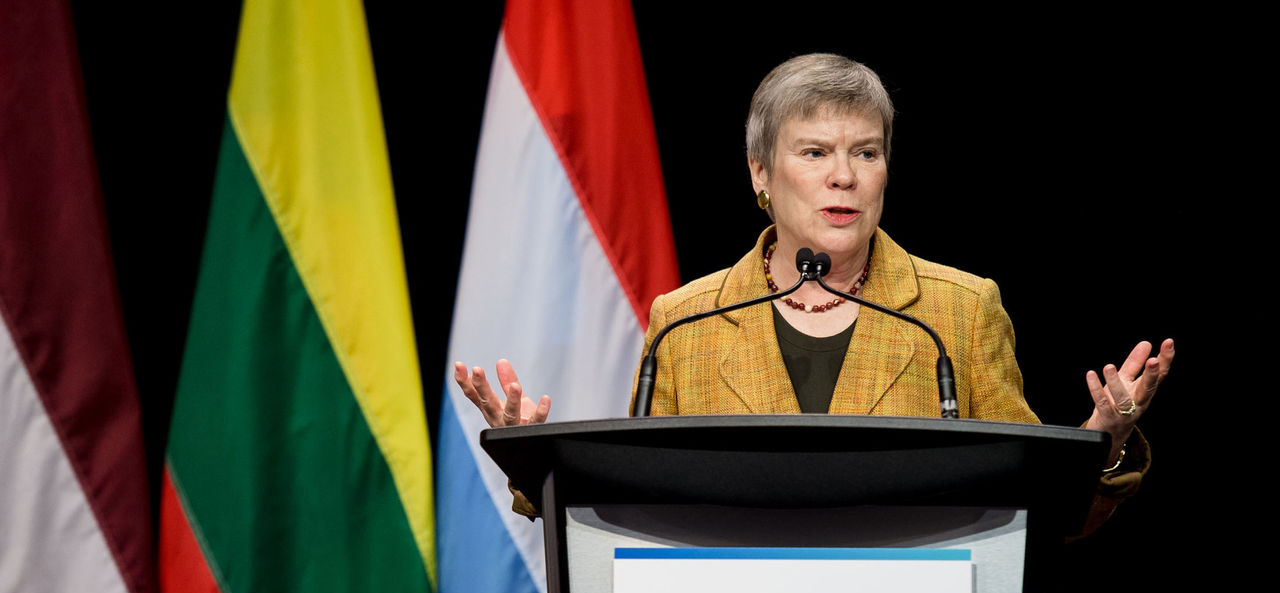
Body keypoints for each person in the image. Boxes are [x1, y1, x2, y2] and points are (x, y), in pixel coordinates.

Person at [454, 53, 1174, 534]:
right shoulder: (686, 322)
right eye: (815, 153)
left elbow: (1035, 517)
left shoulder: (960, 310)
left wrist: (1098, 445)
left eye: (866, 152)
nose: (845, 176)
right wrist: (530, 459)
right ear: (761, 175)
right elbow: (639, 507)